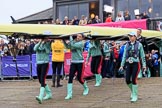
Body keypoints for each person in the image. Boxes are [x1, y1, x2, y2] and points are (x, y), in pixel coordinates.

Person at [119, 31, 146, 102]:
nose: (130, 37)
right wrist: (122, 65)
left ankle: (135, 95)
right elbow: (124, 55)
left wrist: (144, 65)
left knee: (134, 79)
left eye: (131, 36)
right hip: (128, 63)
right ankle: (133, 91)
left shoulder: (139, 45)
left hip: (136, 63)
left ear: (135, 37)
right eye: (129, 36)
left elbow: (142, 56)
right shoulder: (127, 45)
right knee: (127, 80)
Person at [63, 34, 89, 100]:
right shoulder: (73, 42)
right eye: (77, 36)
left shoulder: (81, 43)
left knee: (80, 78)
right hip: (73, 62)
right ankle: (69, 94)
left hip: (80, 63)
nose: (78, 37)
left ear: (82, 38)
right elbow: (68, 46)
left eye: (80, 36)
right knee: (70, 77)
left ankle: (86, 88)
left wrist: (70, 37)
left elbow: (72, 45)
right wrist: (63, 40)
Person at [34, 39, 52, 104]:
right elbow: (35, 49)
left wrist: (45, 44)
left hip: (45, 63)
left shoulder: (48, 45)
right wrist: (40, 42)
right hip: (38, 63)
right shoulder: (38, 44)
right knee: (40, 80)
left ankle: (40, 97)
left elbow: (47, 52)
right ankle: (49, 93)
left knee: (43, 79)